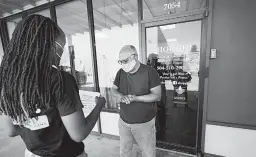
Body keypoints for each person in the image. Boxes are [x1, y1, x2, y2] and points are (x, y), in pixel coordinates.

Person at [0, 15, 106, 157]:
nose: (62, 53)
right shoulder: (60, 80)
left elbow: (11, 131)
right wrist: (99, 105)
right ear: (47, 46)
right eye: (61, 46)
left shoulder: (7, 79)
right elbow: (79, 134)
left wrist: (31, 120)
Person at [112, 45, 161, 157]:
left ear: (134, 56)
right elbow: (113, 90)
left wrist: (136, 98)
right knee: (125, 151)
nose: (123, 64)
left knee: (148, 152)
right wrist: (122, 96)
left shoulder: (150, 72)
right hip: (124, 122)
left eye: (125, 61)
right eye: (120, 62)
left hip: (144, 124)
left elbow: (157, 96)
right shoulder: (121, 72)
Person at [147, 53, 167, 132]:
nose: (155, 61)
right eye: (153, 59)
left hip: (160, 87)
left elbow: (165, 74)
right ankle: (155, 126)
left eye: (156, 59)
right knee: (151, 108)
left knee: (161, 107)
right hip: (150, 89)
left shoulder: (160, 66)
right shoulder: (147, 66)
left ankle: (162, 126)